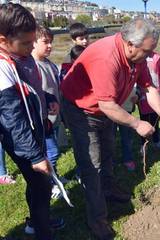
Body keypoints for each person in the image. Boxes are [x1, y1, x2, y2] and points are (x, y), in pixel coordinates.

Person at [60, 18, 160, 239]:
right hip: (81, 110)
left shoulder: (138, 57)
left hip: (106, 108)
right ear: (130, 44)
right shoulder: (106, 58)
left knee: (108, 151)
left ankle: (109, 188)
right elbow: (107, 105)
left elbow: (148, 87)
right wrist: (136, 123)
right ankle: (97, 219)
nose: (151, 56)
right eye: (148, 51)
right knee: (91, 164)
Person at [0, 3, 60, 239]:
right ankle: (42, 230)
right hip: (22, 137)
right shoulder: (3, 67)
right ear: (3, 40)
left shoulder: (21, 55)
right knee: (41, 185)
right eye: (26, 43)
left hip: (34, 130)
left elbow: (28, 90)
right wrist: (35, 156)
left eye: (33, 41)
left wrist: (47, 96)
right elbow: (13, 119)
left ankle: (36, 221)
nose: (31, 47)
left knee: (37, 184)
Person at [32, 25, 69, 199]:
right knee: (51, 152)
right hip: (42, 120)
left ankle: (54, 177)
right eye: (45, 42)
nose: (50, 46)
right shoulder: (32, 66)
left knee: (52, 151)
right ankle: (50, 184)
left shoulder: (50, 64)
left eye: (51, 42)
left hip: (55, 118)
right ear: (33, 42)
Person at [137, 51, 160, 153]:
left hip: (156, 91)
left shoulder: (157, 57)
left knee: (155, 117)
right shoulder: (139, 56)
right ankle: (143, 144)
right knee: (144, 118)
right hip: (142, 93)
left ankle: (156, 141)